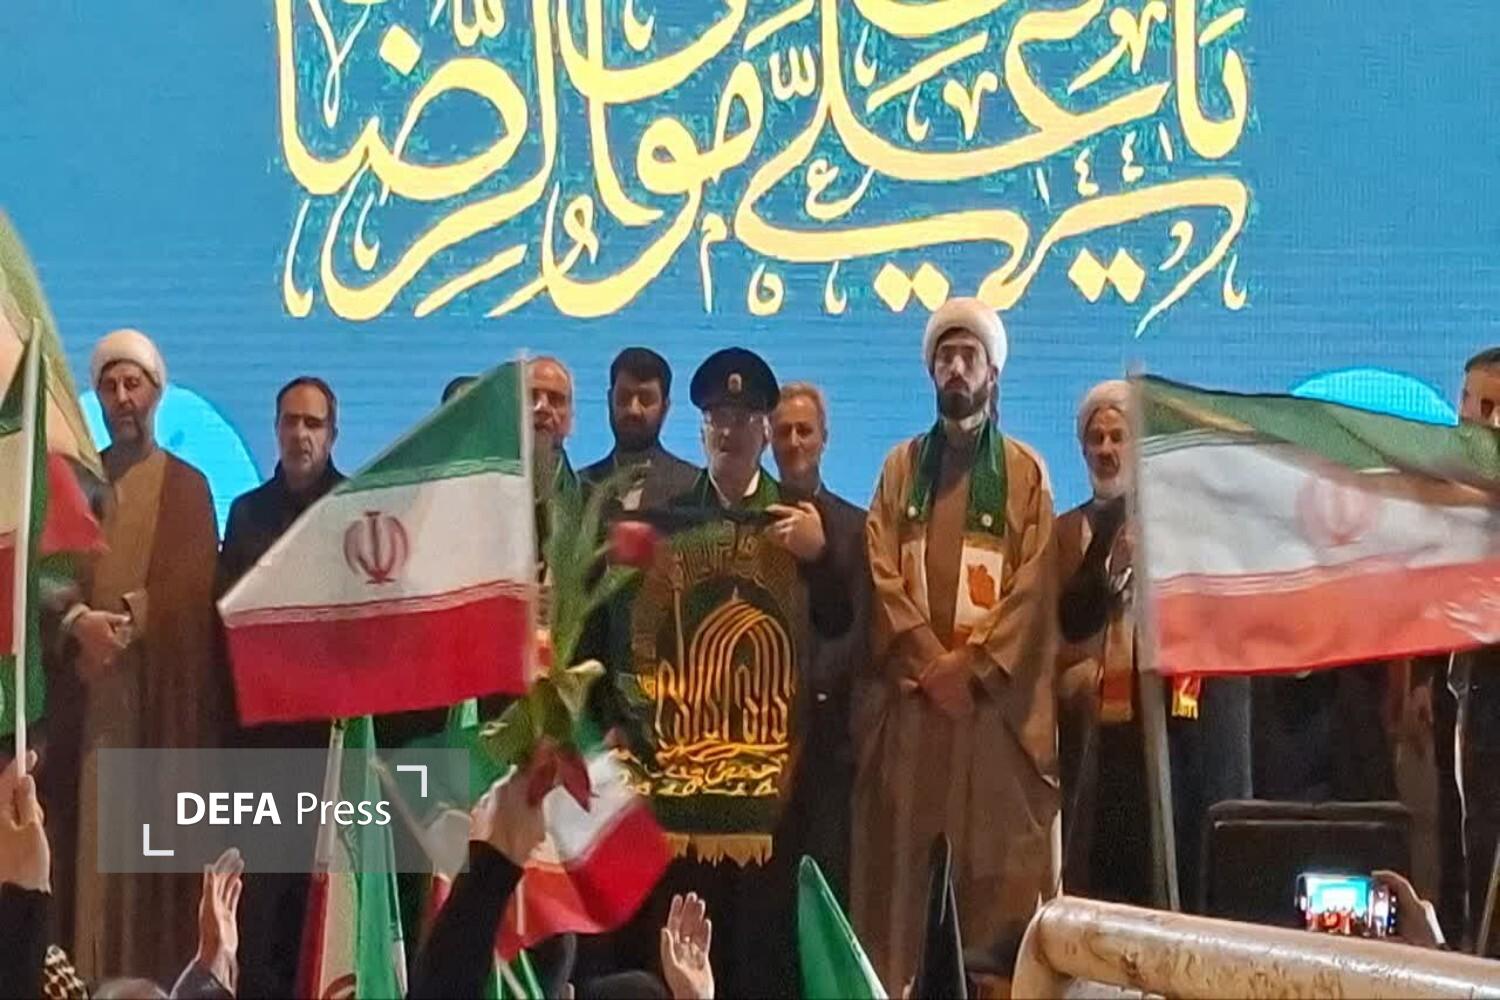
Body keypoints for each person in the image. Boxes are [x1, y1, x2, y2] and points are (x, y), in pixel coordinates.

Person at [603, 347, 852, 997]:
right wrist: (618, 721)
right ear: (701, 430)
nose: (729, 431)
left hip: (775, 800)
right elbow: (621, 632)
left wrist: (821, 558)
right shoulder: (664, 524)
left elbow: (843, 625)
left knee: (764, 957)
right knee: (684, 948)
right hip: (681, 797)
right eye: (717, 417)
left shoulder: (799, 522)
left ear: (765, 432)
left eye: (743, 419)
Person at [852, 298, 1060, 989]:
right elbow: (880, 570)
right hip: (917, 717)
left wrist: (970, 667)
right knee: (906, 897)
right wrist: (926, 660)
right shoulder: (900, 469)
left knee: (990, 900)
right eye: (946, 356)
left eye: (969, 356)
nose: (956, 368)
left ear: (993, 373)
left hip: (989, 721)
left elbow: (1034, 588)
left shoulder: (1025, 475)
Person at [47, 329, 226, 982]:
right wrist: (77, 624)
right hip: (88, 708)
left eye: (134, 384)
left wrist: (130, 618)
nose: (123, 398)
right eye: (110, 387)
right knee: (85, 865)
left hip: (156, 712)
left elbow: (193, 588)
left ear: (157, 392)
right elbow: (50, 576)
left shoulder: (189, 487)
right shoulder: (78, 485)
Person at [1055, 381, 1252, 910]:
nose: (1107, 449)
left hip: (1194, 727)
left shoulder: (1199, 519)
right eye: (1096, 438)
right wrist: (1115, 566)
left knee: (1196, 875)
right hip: (1124, 734)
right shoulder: (1106, 523)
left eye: (1118, 436)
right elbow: (1073, 615)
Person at [215, 376, 343, 997]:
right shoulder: (247, 513)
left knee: (317, 909)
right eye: (290, 421)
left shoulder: (353, 507)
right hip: (261, 746)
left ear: (332, 435)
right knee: (260, 907)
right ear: (275, 429)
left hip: (331, 747)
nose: (300, 434)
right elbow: (222, 624)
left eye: (312, 424)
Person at [1409, 346, 1500, 951]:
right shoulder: (1445, 486)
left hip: (1492, 684)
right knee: (1454, 825)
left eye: (1491, 406)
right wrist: (1421, 678)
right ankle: (1462, 946)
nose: (1477, 417)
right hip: (1452, 687)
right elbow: (1427, 581)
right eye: (1471, 401)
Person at [771, 380, 870, 902]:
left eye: (804, 431)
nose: (793, 442)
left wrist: (822, 557)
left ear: (825, 439)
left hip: (831, 751)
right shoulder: (747, 521)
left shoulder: (856, 528)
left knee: (826, 895)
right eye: (782, 431)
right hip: (758, 747)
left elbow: (858, 631)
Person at [581, 347, 699, 514]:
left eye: (646, 399)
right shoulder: (581, 487)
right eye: (624, 397)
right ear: (609, 401)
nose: (633, 410)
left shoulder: (693, 486)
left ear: (665, 408)